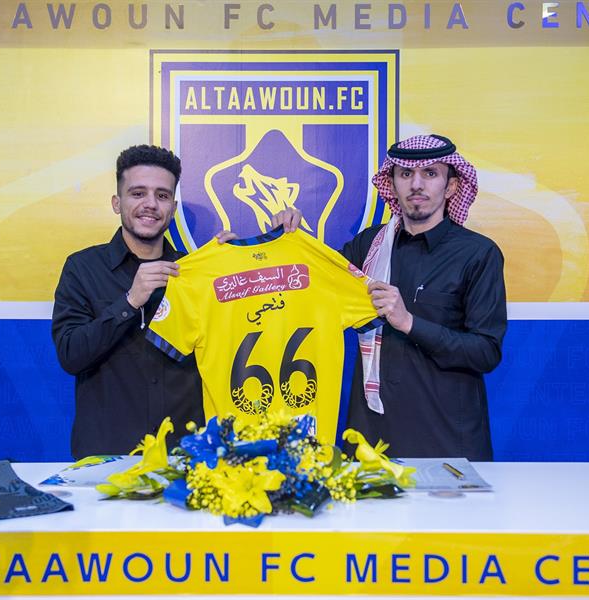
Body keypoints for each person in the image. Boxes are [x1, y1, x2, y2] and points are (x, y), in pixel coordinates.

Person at [52, 144, 302, 459]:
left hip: (187, 455)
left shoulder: (196, 272)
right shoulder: (82, 268)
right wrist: (130, 301)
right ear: (117, 202)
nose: (150, 204)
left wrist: (254, 257)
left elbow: (252, 327)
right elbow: (71, 355)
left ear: (172, 207)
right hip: (106, 455)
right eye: (138, 193)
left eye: (162, 195)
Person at [341, 134, 507, 460]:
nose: (416, 184)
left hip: (447, 443)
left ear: (452, 186)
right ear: (392, 184)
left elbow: (485, 352)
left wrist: (408, 323)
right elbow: (307, 286)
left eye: (430, 173)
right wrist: (278, 237)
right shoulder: (368, 246)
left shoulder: (478, 254)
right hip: (371, 440)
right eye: (405, 174)